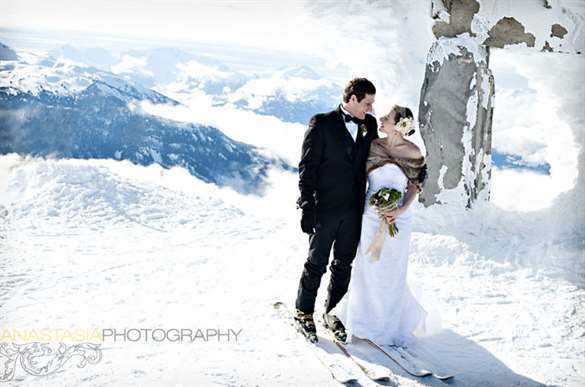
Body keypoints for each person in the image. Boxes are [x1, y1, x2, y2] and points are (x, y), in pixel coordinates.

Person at [332, 105, 432, 347]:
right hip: (370, 215)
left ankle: (387, 324)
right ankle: (361, 320)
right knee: (367, 267)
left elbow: (414, 187)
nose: (382, 119)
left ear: (399, 125)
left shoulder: (413, 152)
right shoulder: (374, 146)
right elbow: (359, 177)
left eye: (387, 117)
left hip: (399, 219)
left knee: (391, 269)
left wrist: (399, 209)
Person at [293, 78, 378, 343]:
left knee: (344, 264)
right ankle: (303, 311)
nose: (371, 108)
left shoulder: (370, 125)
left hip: (354, 209)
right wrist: (307, 206)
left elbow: (377, 158)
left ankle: (333, 313)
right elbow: (307, 168)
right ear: (352, 99)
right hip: (325, 208)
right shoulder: (321, 123)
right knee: (316, 263)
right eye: (367, 103)